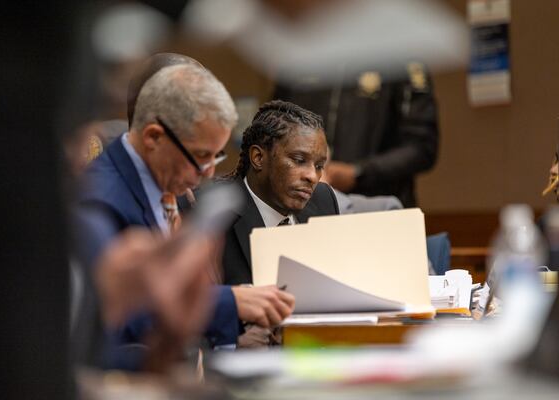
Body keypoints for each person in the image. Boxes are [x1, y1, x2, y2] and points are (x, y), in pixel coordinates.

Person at [78, 60, 293, 360]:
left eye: (215, 157)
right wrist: (228, 303)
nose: (206, 174)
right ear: (154, 137)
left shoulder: (171, 184)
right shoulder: (101, 203)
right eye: (201, 156)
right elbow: (110, 321)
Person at [273, 63, 439, 207]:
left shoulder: (401, 53)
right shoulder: (299, 56)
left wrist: (359, 173)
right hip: (303, 209)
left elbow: (422, 146)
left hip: (380, 211)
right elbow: (273, 129)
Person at [220, 100, 340, 286]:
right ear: (258, 157)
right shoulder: (214, 212)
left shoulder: (323, 200)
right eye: (299, 160)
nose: (312, 177)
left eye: (319, 166)